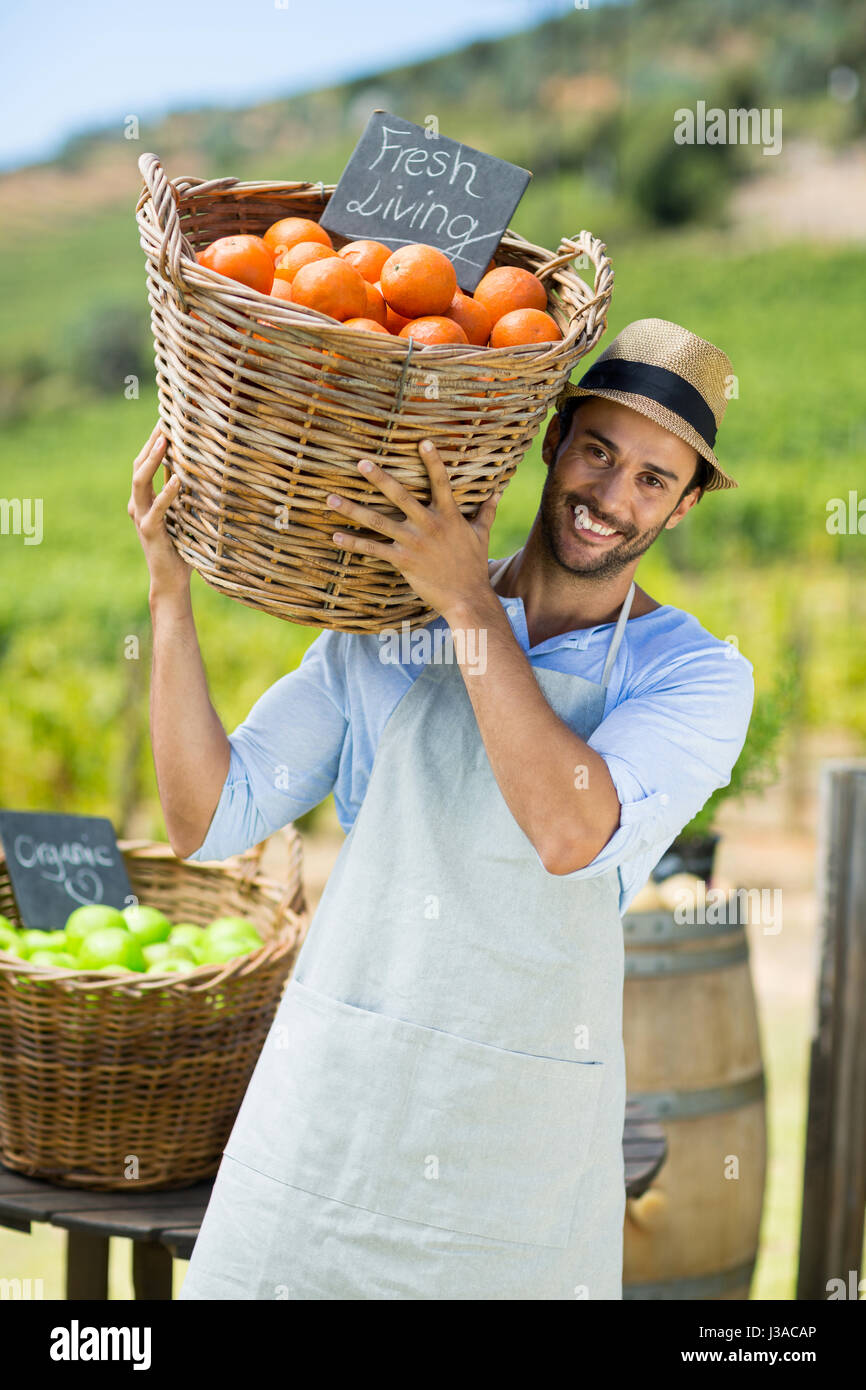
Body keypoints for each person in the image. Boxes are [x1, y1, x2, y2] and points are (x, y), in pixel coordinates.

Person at [129, 317, 754, 1301]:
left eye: (650, 479)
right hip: (334, 1117)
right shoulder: (390, 625)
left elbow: (568, 830)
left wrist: (468, 607)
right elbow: (208, 818)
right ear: (553, 441)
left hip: (512, 1147)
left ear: (679, 509)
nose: (610, 496)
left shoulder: (691, 678)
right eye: (597, 451)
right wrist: (168, 595)